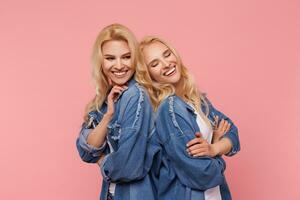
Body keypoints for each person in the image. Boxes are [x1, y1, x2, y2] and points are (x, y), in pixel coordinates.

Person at [140, 36, 241, 200]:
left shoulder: (195, 99)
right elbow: (202, 174)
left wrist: (213, 149)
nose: (166, 64)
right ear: (148, 75)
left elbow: (232, 132)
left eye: (167, 54)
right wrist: (218, 150)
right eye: (154, 64)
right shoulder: (169, 108)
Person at [76, 24, 157, 200]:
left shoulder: (136, 95)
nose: (119, 65)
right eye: (110, 58)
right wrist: (108, 117)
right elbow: (85, 152)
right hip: (112, 194)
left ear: (135, 58)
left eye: (126, 57)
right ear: (101, 61)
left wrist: (102, 161)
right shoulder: (107, 99)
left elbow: (129, 167)